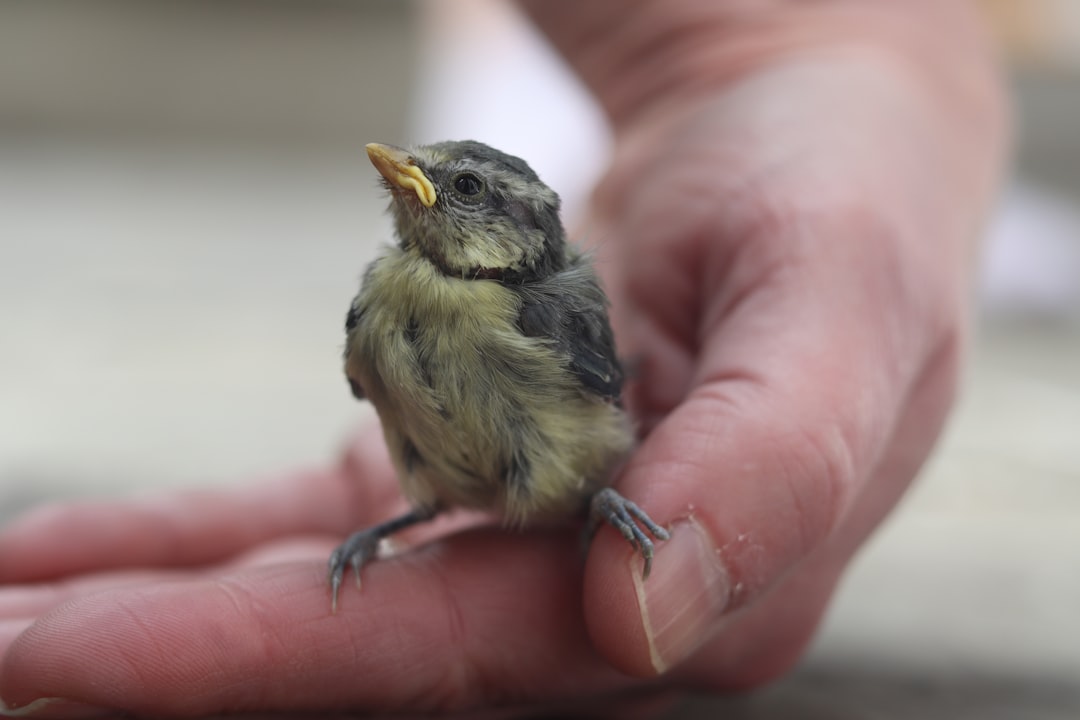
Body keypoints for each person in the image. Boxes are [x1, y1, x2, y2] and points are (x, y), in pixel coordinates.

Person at [0, 0, 1005, 715]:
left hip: (570, 489)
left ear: (516, 226)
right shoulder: (380, 308)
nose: (417, 184)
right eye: (427, 177)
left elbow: (606, 406)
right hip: (437, 485)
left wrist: (798, 47)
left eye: (463, 189)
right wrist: (378, 530)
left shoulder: (540, 308)